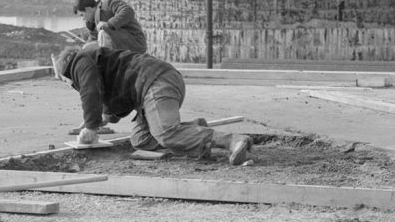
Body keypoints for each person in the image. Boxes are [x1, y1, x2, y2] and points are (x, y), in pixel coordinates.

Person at [51, 44, 253, 165]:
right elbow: (113, 97)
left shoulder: (79, 62)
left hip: (154, 83)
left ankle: (230, 140)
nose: (72, 85)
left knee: (165, 133)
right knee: (140, 139)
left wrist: (91, 126)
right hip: (157, 83)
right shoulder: (94, 61)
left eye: (69, 82)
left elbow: (90, 90)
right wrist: (105, 117)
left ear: (68, 72)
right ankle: (196, 131)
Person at [73, 0, 147, 54]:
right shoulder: (92, 24)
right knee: (86, 48)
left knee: (103, 33)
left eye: (82, 15)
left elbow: (128, 11)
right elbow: (93, 39)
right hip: (117, 44)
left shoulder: (107, 3)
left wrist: (109, 24)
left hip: (135, 42)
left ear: (88, 8)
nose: (83, 19)